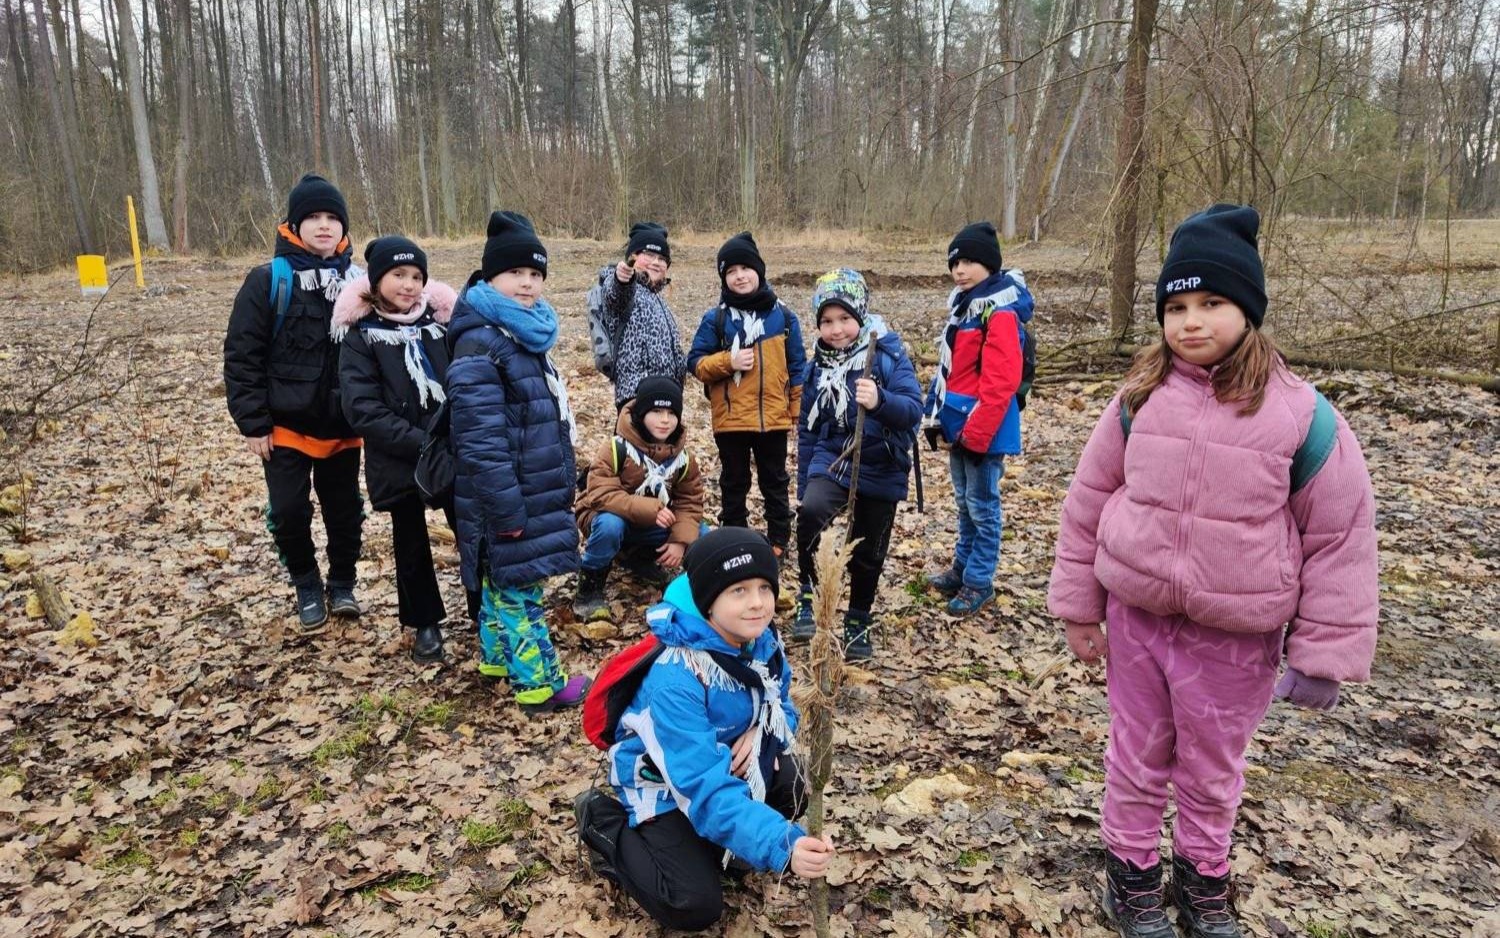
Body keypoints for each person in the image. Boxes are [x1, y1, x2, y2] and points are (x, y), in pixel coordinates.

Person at [1047, 204, 1378, 938]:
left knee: (1211, 769)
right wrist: (1079, 606)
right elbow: (1089, 499)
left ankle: (1204, 881)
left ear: (1249, 310)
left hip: (1236, 638)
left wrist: (1323, 655)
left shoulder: (1303, 417)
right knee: (1136, 755)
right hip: (1138, 622)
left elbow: (1340, 537)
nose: (1192, 321)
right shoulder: (1138, 401)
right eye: (1177, 306)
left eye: (1212, 303)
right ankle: (1130, 880)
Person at [573, 528, 834, 931]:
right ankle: (601, 820)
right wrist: (783, 845)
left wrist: (763, 730)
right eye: (739, 590)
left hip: (718, 766)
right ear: (708, 600)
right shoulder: (677, 678)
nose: (758, 604)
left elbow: (781, 705)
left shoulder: (761, 641)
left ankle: (714, 844)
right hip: (663, 784)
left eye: (765, 587)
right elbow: (702, 787)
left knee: (793, 782)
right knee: (692, 903)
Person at [447, 210, 590, 713]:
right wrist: (506, 511)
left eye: (535, 275)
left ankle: (494, 659)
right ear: (491, 278)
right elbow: (480, 441)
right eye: (515, 274)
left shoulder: (518, 333)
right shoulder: (482, 341)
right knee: (519, 590)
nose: (527, 284)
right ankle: (539, 683)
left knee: (497, 579)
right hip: (507, 497)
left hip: (528, 486)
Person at [224, 173, 365, 631]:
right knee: (288, 511)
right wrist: (252, 422)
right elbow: (242, 354)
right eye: (313, 218)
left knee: (345, 511)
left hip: (343, 424)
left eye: (332, 218)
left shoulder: (361, 282)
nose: (324, 226)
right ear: (294, 224)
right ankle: (306, 582)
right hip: (284, 426)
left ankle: (342, 583)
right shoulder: (269, 280)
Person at [333, 236, 465, 663]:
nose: (408, 285)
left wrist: (450, 435)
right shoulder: (361, 337)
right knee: (410, 540)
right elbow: (362, 407)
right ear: (377, 280)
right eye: (398, 275)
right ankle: (424, 622)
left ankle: (487, 610)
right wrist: (418, 440)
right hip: (398, 455)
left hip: (448, 448)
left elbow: (463, 380)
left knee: (469, 528)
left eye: (415, 276)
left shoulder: (440, 325)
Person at [793, 269, 923, 661]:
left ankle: (858, 617)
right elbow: (808, 430)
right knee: (812, 514)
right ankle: (809, 594)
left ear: (861, 316)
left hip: (881, 461)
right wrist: (803, 486)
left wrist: (880, 400)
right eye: (827, 321)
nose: (836, 330)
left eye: (844, 319)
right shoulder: (817, 367)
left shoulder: (886, 356)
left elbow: (913, 409)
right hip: (833, 456)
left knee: (869, 547)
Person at [921, 221, 1035, 617]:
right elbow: (951, 372)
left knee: (983, 506)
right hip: (960, 424)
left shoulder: (998, 312)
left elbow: (1001, 381)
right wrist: (937, 419)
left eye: (969, 262)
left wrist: (976, 433)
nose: (960, 270)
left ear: (989, 264)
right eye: (955, 263)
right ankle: (962, 569)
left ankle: (979, 581)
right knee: (964, 503)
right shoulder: (965, 308)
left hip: (984, 429)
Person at [686, 231, 805, 558]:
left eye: (745, 268)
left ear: (759, 271)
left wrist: (796, 410)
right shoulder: (717, 318)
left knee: (775, 482)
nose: (739, 276)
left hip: (773, 418)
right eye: (731, 271)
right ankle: (734, 540)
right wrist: (729, 361)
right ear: (724, 278)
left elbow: (798, 366)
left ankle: (779, 542)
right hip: (731, 420)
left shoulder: (784, 317)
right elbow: (695, 362)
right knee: (734, 483)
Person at [573, 376, 706, 618]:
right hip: (607, 519)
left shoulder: (684, 459)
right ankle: (590, 585)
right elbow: (601, 494)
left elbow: (690, 502)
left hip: (652, 524)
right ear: (641, 413)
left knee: (701, 534)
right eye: (656, 411)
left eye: (671, 413)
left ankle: (692, 588)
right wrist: (651, 509)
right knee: (610, 525)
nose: (665, 420)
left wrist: (680, 540)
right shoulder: (616, 448)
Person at [595, 221, 687, 407]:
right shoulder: (626, 288)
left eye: (662, 258)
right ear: (632, 257)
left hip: (666, 399)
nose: (656, 262)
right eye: (649, 255)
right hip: (636, 398)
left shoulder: (658, 299)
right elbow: (616, 294)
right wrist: (622, 279)